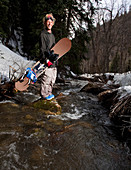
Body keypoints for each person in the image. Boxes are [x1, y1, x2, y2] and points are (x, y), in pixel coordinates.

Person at [39, 13, 58, 100]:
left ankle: (49, 93)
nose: (49, 23)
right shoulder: (43, 34)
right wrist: (46, 60)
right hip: (47, 62)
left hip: (53, 63)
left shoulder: (52, 36)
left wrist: (56, 59)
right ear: (45, 23)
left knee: (52, 80)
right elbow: (42, 49)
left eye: (51, 22)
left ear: (53, 23)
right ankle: (44, 96)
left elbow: (54, 49)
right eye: (48, 22)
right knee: (46, 80)